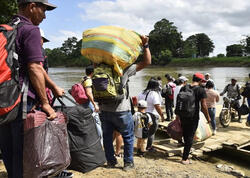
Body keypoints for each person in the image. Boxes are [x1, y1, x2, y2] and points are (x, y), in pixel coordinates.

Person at [0, 1, 67, 178]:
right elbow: (35, 68)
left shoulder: (6, 28)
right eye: (43, 10)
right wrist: (46, 103)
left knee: (9, 151)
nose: (44, 16)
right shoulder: (30, 30)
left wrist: (53, 86)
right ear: (31, 6)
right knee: (25, 155)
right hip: (22, 103)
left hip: (4, 100)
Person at [98, 35, 151, 171]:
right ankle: (128, 163)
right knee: (128, 137)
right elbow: (147, 62)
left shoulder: (99, 67)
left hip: (104, 109)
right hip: (121, 110)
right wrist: (145, 45)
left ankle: (111, 161)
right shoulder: (124, 68)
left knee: (107, 138)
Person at [179, 73, 210, 165]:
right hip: (193, 116)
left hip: (182, 114)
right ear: (200, 81)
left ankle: (186, 150)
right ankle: (185, 158)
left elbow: (179, 101)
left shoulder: (184, 87)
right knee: (190, 136)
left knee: (185, 133)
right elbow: (204, 105)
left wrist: (177, 115)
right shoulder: (201, 90)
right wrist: (208, 117)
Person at [138, 78, 164, 152]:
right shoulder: (154, 94)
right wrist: (162, 115)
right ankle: (149, 147)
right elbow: (157, 106)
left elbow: (137, 103)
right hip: (152, 115)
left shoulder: (141, 92)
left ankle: (140, 146)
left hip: (142, 114)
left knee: (143, 131)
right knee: (151, 132)